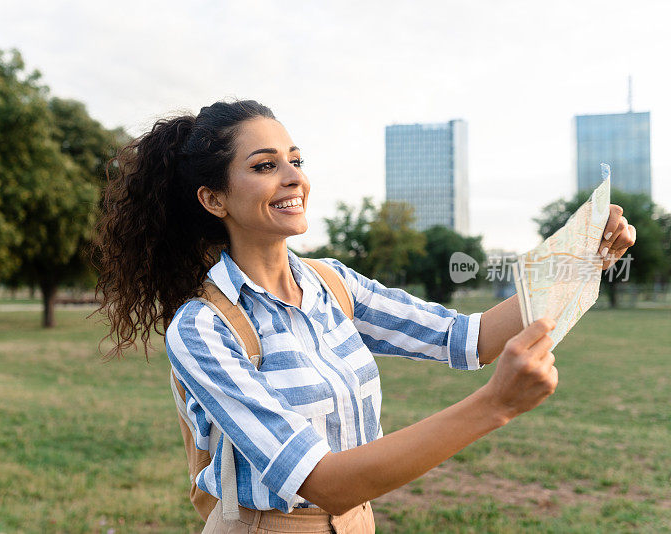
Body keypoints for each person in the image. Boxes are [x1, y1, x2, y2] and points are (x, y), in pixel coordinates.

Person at [91, 99, 637, 533]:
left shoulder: (332, 283)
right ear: (214, 200)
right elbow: (322, 482)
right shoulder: (202, 327)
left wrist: (582, 263)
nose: (292, 177)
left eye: (295, 160)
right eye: (264, 166)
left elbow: (466, 338)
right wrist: (495, 405)